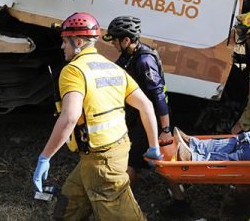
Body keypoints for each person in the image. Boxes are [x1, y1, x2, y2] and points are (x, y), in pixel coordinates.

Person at [32, 12, 161, 220]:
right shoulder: (113, 68)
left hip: (102, 160)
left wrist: (45, 157)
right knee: (72, 197)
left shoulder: (73, 71)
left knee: (118, 211)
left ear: (79, 42)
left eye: (65, 42)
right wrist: (153, 146)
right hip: (113, 150)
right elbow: (146, 105)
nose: (62, 47)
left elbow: (69, 117)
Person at [103, 15, 188, 215]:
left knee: (130, 163)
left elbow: (159, 96)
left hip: (149, 121)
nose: (114, 43)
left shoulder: (144, 61)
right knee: (162, 164)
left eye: (116, 39)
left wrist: (165, 130)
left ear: (126, 40)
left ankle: (121, 208)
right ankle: (180, 201)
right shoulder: (129, 54)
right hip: (137, 118)